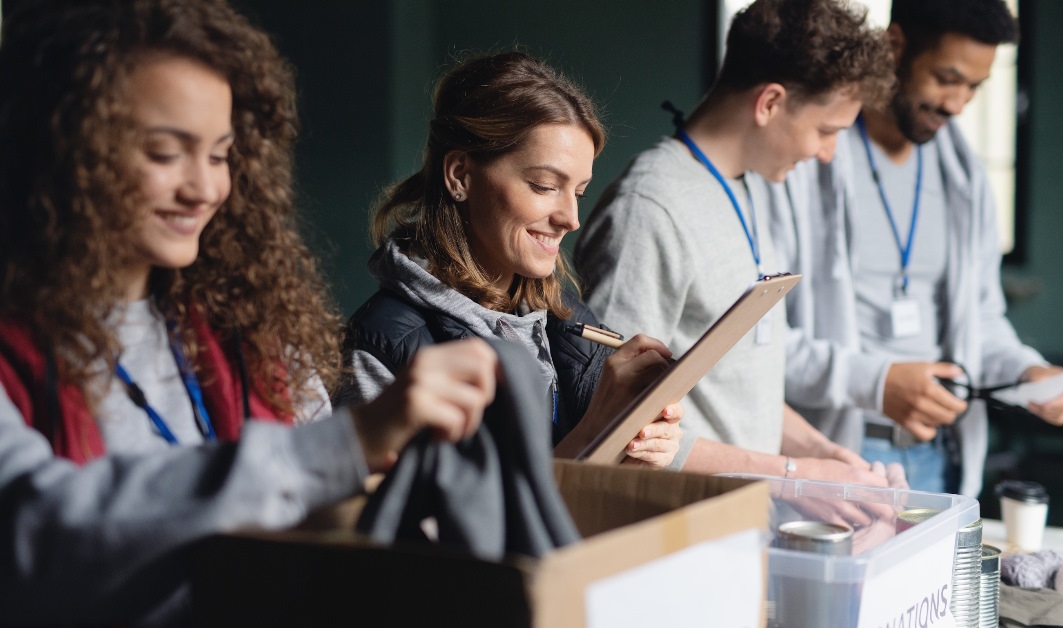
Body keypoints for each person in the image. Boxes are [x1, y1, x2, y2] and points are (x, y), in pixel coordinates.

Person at [0, 1, 500, 623]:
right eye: (164, 153)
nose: (205, 187)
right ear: (62, 149)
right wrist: (347, 444)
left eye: (218, 155)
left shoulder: (250, 322)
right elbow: (38, 536)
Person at [762, 0, 1063, 497]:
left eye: (974, 87)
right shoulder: (807, 159)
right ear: (895, 45)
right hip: (836, 457)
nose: (957, 103)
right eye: (945, 77)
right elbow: (762, 341)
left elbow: (982, 320)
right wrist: (877, 382)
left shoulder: (966, 178)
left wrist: (1026, 369)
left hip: (942, 459)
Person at [575, 0, 897, 483]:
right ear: (770, 103)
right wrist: (794, 473)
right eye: (826, 131)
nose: (829, 154)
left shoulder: (747, 187)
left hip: (738, 523)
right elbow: (620, 423)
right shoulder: (647, 208)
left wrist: (822, 452)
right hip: (673, 529)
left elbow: (735, 381)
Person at [337, 52, 683, 469]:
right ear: (460, 175)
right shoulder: (379, 351)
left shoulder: (567, 320)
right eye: (544, 185)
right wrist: (595, 435)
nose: (571, 219)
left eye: (579, 192)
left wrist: (634, 452)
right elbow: (423, 530)